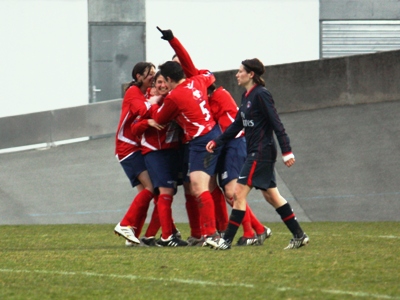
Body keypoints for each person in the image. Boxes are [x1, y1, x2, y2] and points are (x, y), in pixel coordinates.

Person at [158, 27, 271, 246]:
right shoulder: (199, 81)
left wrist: (154, 108)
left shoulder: (212, 94)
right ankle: (238, 230)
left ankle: (234, 233)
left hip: (226, 142)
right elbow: (191, 64)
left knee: (223, 190)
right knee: (211, 189)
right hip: (213, 140)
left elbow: (164, 117)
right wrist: (173, 40)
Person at [206, 58, 310, 250]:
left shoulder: (261, 94)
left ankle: (226, 241)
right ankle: (299, 235)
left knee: (238, 194)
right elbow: (237, 125)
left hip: (261, 152)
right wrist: (217, 141)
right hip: (255, 150)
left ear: (251, 74)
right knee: (272, 196)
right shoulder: (246, 96)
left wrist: (287, 151)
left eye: (240, 71)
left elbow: (276, 123)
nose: (237, 75)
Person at [153, 60, 224, 246]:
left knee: (199, 187)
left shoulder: (174, 96)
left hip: (201, 141)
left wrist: (155, 101)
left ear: (168, 79)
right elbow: (210, 75)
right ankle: (210, 233)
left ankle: (212, 235)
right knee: (200, 186)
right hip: (213, 134)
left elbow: (159, 118)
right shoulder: (198, 80)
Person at [131, 71, 188, 247]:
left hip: (172, 152)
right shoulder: (149, 103)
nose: (162, 86)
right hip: (155, 153)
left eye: (165, 82)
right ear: (153, 85)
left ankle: (151, 236)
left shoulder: (173, 99)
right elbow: (134, 128)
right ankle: (166, 236)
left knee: (167, 193)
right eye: (159, 83)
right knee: (164, 193)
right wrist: (148, 122)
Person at [113, 62, 156, 245]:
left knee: (146, 193)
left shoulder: (146, 93)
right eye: (149, 74)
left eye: (155, 73)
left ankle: (132, 234)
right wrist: (158, 104)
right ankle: (125, 224)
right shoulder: (133, 92)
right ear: (138, 76)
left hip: (135, 147)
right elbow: (142, 110)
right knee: (151, 188)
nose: (153, 77)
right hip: (128, 148)